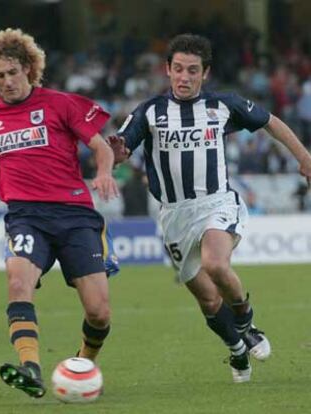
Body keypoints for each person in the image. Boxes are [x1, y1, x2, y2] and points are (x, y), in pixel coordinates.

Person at [108, 33, 311, 383]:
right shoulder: (150, 112)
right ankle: (236, 350)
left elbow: (271, 122)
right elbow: (121, 147)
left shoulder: (223, 105)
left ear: (205, 73)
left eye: (192, 70)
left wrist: (305, 158)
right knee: (207, 300)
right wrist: (116, 153)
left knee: (215, 264)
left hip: (217, 203)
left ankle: (246, 322)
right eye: (178, 69)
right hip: (174, 215)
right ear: (167, 71)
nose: (184, 77)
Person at [0, 28, 119, 399]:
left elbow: (100, 146)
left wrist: (104, 171)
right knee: (17, 283)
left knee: (99, 313)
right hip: (26, 215)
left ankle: (83, 363)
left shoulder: (60, 104)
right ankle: (31, 367)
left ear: (29, 69)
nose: (7, 82)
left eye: (13, 72)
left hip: (75, 214)